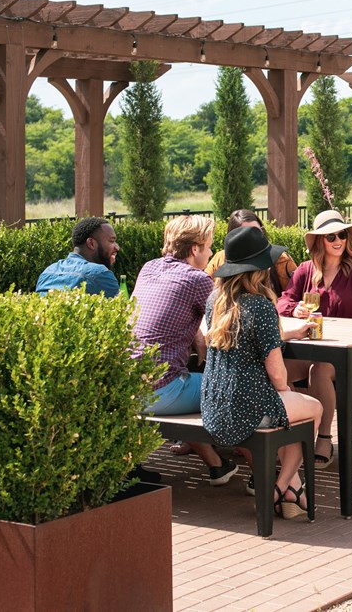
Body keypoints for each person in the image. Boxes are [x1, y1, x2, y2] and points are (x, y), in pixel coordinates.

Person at [202, 225, 322, 517]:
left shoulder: (215, 302)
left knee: (290, 410)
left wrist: (287, 338)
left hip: (213, 405)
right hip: (247, 407)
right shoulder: (261, 306)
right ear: (260, 268)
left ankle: (294, 491)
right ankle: (280, 488)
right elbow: (279, 376)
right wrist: (284, 392)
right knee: (313, 409)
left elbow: (243, 340)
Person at [132, 215, 237, 485]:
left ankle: (217, 466)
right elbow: (231, 325)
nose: (212, 252)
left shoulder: (149, 268)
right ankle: (263, 476)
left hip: (128, 388)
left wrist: (196, 336)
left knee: (190, 376)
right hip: (161, 392)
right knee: (233, 389)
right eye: (210, 246)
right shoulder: (197, 279)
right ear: (194, 249)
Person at [276, 210, 352, 469]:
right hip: (315, 346)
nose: (338, 240)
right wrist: (296, 310)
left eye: (342, 234)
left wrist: (348, 332)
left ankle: (323, 438)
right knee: (278, 369)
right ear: (319, 241)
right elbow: (284, 301)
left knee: (321, 370)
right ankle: (286, 435)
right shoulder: (304, 270)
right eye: (331, 236)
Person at [204, 209, 298, 296]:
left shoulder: (281, 260)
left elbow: (294, 296)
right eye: (246, 234)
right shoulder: (220, 259)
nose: (253, 237)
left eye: (257, 231)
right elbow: (206, 294)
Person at [36, 217, 120, 297]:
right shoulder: (100, 274)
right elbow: (123, 310)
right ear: (91, 243)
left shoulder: (48, 272)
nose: (117, 248)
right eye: (111, 241)